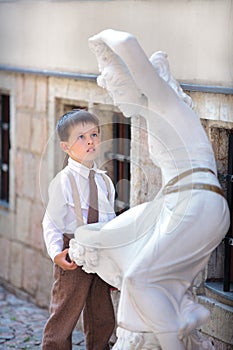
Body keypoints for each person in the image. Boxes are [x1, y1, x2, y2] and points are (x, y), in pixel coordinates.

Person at [68, 30, 230, 350]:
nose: (114, 97)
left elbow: (127, 42)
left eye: (116, 87)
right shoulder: (154, 115)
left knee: (139, 279)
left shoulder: (163, 101)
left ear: (135, 81)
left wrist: (102, 41)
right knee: (115, 251)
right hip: (179, 202)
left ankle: (172, 337)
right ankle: (177, 320)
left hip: (197, 200)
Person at [42, 109, 116, 350]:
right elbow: (51, 222)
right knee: (64, 314)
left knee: (102, 316)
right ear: (66, 147)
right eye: (81, 137)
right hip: (73, 255)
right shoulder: (63, 181)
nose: (90, 141)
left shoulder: (104, 181)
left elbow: (110, 221)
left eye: (94, 134)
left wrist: (116, 262)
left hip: (101, 255)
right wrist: (56, 254)